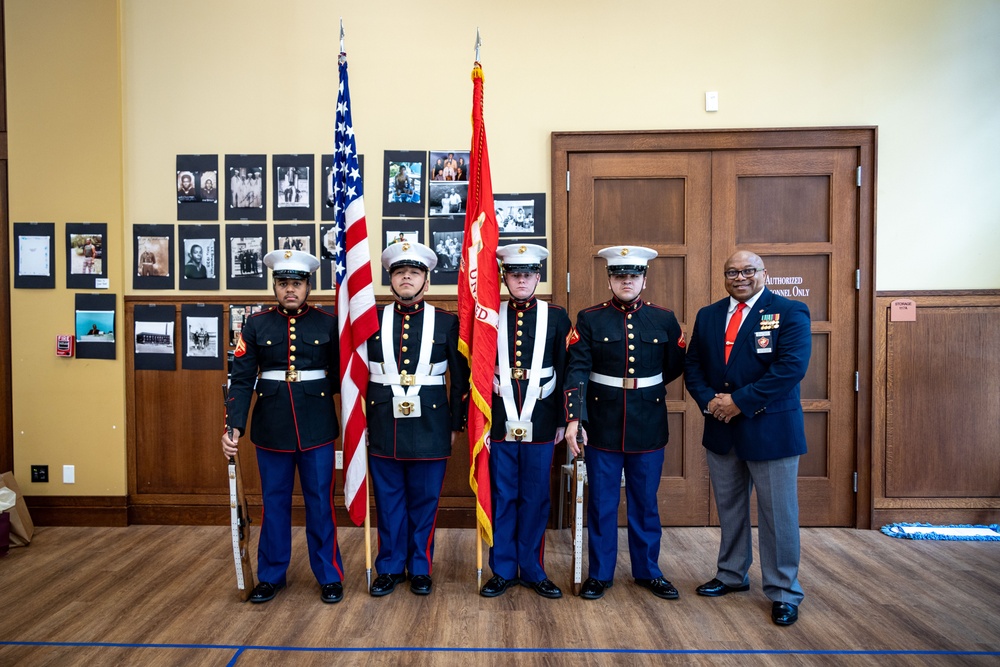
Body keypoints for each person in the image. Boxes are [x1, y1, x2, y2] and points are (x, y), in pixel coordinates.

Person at [683, 250, 811, 627]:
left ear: (763, 273)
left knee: (778, 516)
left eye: (747, 270)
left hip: (771, 430)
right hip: (721, 428)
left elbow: (791, 368)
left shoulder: (789, 311)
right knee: (731, 509)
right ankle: (731, 574)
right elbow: (693, 366)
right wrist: (711, 402)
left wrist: (739, 402)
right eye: (731, 272)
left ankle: (784, 591)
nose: (739, 277)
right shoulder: (708, 316)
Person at [221, 249, 345, 604]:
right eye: (283, 283)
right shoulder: (257, 324)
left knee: (321, 503)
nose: (290, 290)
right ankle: (271, 575)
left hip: (317, 425)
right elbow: (242, 380)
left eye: (297, 283)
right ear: (275, 286)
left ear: (308, 286)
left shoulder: (327, 322)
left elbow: (340, 378)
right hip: (271, 426)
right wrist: (234, 427)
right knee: (274, 504)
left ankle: (329, 574)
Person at [563, 245, 685, 601]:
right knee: (601, 503)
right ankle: (600, 574)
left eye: (633, 276)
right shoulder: (590, 318)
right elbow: (578, 369)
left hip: (648, 423)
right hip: (602, 422)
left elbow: (674, 365)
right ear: (610, 279)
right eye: (619, 275)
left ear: (644, 279)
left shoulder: (663, 318)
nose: (626, 281)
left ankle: (648, 571)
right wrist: (576, 418)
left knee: (644, 502)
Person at [366, 240, 469, 597]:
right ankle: (390, 566)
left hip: (431, 425)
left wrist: (456, 424)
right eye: (399, 272)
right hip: (383, 424)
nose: (406, 278)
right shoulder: (370, 319)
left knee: (425, 502)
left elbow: (459, 379)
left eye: (413, 272)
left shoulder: (447, 322)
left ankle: (421, 566)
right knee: (389, 500)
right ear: (390, 280)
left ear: (426, 280)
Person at [480, 244, 571, 600]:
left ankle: (533, 569)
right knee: (503, 495)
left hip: (543, 418)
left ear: (538, 276)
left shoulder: (558, 316)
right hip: (500, 415)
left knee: (535, 497)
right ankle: (502, 569)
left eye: (528, 273)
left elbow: (566, 369)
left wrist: (566, 417)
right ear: (504, 277)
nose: (521, 279)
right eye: (514, 273)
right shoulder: (490, 314)